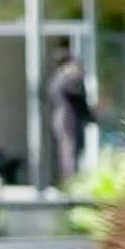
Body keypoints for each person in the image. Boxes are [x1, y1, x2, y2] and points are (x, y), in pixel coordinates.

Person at [45, 50, 98, 187]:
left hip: (63, 118)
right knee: (70, 151)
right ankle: (71, 183)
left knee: (67, 151)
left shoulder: (57, 79)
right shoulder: (68, 80)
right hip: (69, 119)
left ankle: (69, 181)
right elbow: (80, 98)